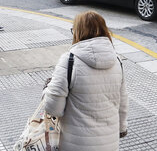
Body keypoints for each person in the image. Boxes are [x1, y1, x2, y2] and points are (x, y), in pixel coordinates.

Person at [43, 11, 128, 151]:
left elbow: (54, 109)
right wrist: (122, 128)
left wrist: (47, 90)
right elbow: (123, 102)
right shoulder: (117, 61)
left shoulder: (69, 61)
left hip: (76, 144)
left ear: (78, 32)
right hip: (109, 143)